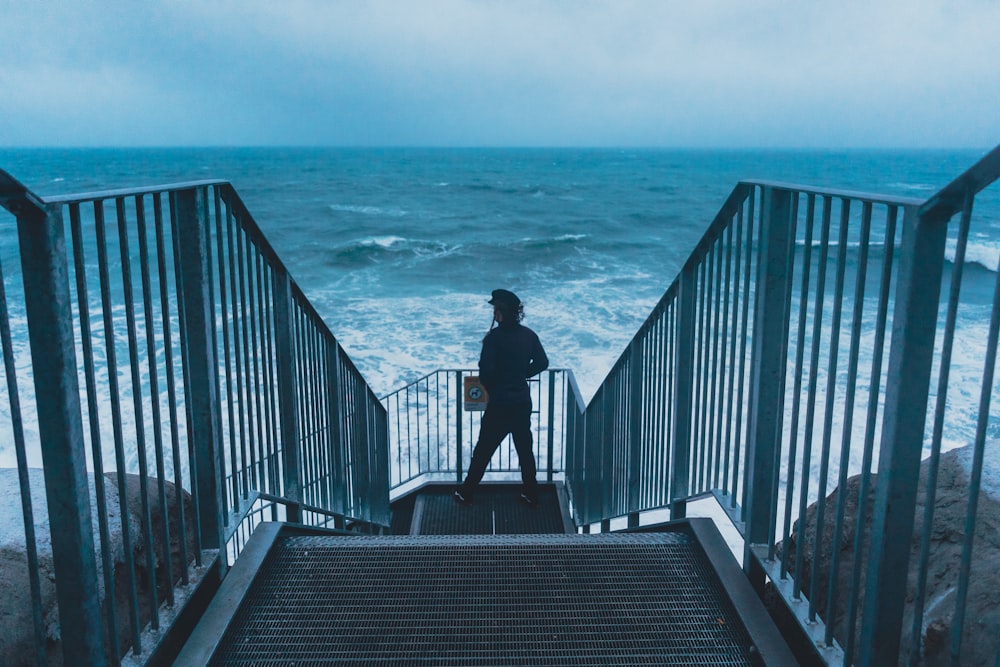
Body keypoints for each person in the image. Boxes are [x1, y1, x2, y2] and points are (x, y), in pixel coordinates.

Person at [454, 289, 549, 507]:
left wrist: (495, 388)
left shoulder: (493, 339)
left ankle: (466, 492)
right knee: (525, 450)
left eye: (495, 309)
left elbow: (486, 373)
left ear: (500, 313)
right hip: (522, 402)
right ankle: (531, 494)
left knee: (483, 450)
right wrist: (523, 374)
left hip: (500, 405)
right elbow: (543, 362)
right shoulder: (529, 335)